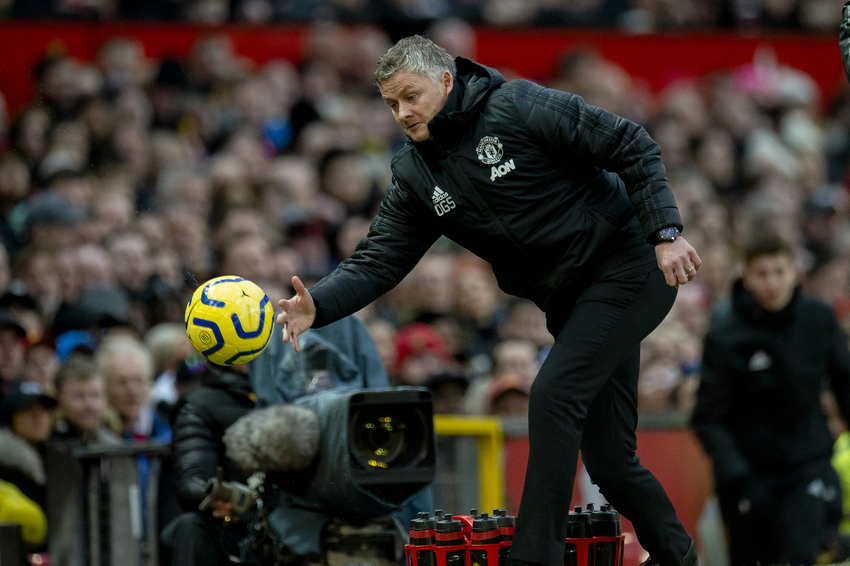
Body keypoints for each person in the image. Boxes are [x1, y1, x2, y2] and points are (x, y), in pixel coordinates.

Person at [278, 35, 700, 566]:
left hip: (630, 266)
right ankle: (679, 558)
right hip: (571, 302)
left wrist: (665, 232)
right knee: (610, 461)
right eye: (391, 104)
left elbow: (631, 142)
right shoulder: (416, 174)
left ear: (447, 81)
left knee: (552, 395)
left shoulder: (518, 105)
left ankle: (532, 557)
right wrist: (318, 305)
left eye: (411, 96)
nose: (402, 113)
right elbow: (379, 260)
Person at [691, 233, 850, 566]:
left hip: (806, 464)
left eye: (779, 272)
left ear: (794, 273)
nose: (772, 282)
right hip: (747, 474)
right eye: (762, 274)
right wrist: (738, 474)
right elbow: (708, 417)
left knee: (802, 553)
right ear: (746, 277)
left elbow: (845, 385)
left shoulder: (818, 320)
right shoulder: (725, 336)